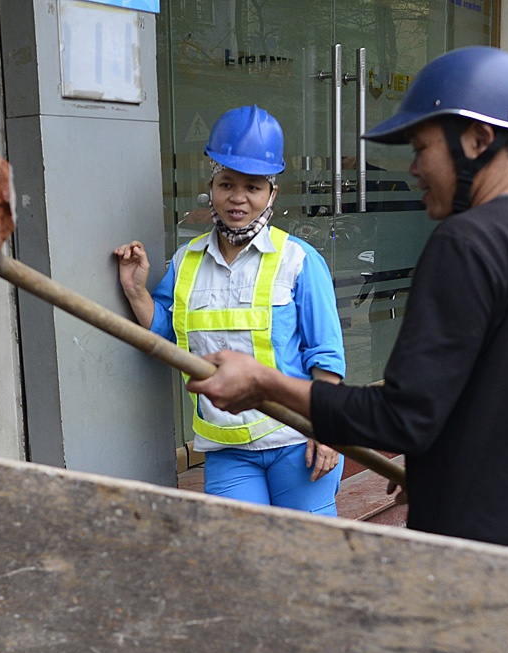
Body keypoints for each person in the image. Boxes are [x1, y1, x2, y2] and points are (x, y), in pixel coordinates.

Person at [181, 48, 508, 557]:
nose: (412, 168)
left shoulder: (469, 243)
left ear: (477, 140)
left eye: (420, 147)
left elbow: (401, 418)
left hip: (482, 560)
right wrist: (439, 466)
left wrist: (265, 383)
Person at [112, 106, 347, 515]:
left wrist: (325, 430)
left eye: (253, 187)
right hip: (227, 449)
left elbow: (325, 355)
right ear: (212, 187)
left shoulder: (299, 261)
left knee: (304, 564)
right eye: (227, 184)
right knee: (240, 563)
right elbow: (170, 336)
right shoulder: (186, 261)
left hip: (297, 444)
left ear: (272, 193)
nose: (238, 198)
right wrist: (136, 292)